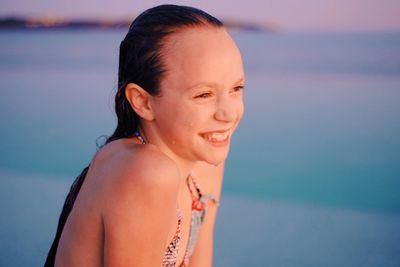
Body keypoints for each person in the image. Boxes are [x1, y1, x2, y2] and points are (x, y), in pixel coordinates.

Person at [45, 4, 244, 267]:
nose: (228, 113)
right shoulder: (145, 171)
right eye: (203, 94)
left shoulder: (203, 161)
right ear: (142, 102)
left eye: (236, 88)